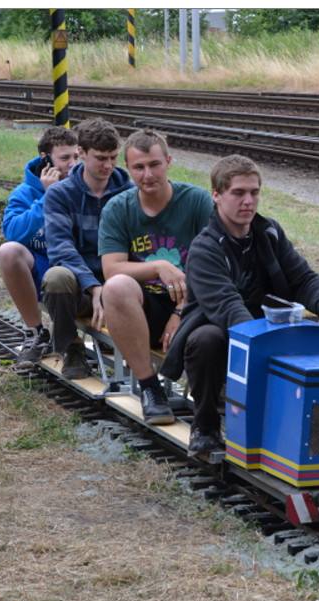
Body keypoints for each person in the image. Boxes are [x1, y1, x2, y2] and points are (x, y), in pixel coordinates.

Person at [161, 155, 319, 455]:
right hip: (221, 329)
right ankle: (205, 425)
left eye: (254, 192)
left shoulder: (269, 233)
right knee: (206, 339)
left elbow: (302, 277)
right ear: (217, 195)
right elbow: (228, 307)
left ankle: (314, 428)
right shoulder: (205, 248)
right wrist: (266, 339)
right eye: (238, 193)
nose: (248, 201)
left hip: (266, 325)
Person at [99, 129, 214, 424]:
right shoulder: (118, 208)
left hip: (194, 306)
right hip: (145, 308)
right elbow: (111, 268)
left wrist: (181, 311)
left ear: (169, 162)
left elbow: (214, 267)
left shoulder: (197, 202)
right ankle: (151, 389)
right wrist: (157, 267)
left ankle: (216, 402)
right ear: (128, 168)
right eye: (138, 167)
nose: (147, 175)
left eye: (154, 165)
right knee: (116, 287)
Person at [42, 118, 133, 379]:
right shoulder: (60, 194)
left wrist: (112, 287)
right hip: (81, 286)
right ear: (81, 153)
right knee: (56, 277)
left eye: (113, 158)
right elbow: (60, 248)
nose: (108, 166)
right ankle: (71, 347)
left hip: (120, 283)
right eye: (101, 158)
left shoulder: (129, 193)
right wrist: (92, 286)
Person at [0, 126, 78, 367]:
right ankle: (36, 333)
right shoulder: (25, 192)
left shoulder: (85, 187)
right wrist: (48, 197)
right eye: (65, 158)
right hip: (42, 266)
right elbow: (12, 231)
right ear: (46, 159)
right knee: (8, 251)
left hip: (76, 267)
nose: (73, 164)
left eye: (76, 156)